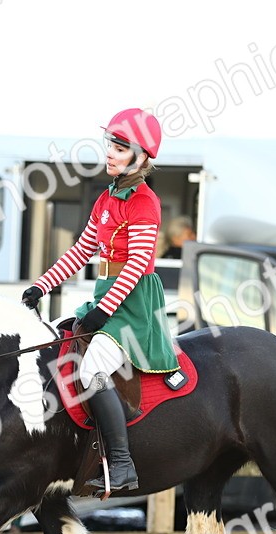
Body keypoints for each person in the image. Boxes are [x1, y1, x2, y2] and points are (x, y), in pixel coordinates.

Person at [21, 108, 179, 495]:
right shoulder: (106, 198)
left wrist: (104, 311)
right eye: (110, 143)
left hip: (133, 305)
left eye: (120, 147)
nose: (110, 152)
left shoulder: (144, 202)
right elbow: (81, 251)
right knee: (55, 348)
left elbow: (138, 262)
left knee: (91, 371)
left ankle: (123, 465)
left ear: (141, 157)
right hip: (105, 296)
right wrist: (41, 286)